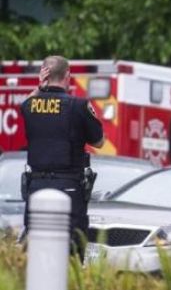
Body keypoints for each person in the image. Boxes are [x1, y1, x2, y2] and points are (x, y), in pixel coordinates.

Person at [21, 56, 104, 259]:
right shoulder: (79, 106)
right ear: (67, 75)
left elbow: (25, 104)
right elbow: (99, 141)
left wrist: (40, 88)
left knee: (36, 246)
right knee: (72, 248)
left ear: (45, 75)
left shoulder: (31, 105)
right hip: (69, 188)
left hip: (36, 186)